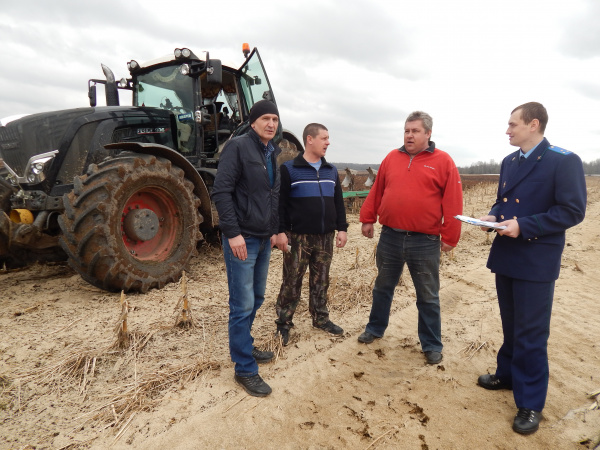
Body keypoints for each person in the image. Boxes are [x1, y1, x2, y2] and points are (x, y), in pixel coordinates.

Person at [477, 102, 586, 434]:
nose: (507, 130)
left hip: (536, 257)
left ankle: (530, 403)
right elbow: (504, 200)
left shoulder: (563, 161)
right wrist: (493, 216)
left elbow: (572, 211)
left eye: (513, 124)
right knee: (511, 324)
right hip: (507, 253)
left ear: (533, 124)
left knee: (532, 333)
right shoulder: (510, 161)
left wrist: (524, 225)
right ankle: (508, 374)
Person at [357, 111, 463, 365]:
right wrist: (368, 217)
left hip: (425, 242)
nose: (409, 135)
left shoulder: (443, 161)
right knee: (383, 287)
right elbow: (378, 190)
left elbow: (453, 201)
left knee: (427, 295)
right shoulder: (392, 158)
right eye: (406, 130)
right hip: (390, 237)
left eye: (415, 131)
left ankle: (431, 344)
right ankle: (375, 328)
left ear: (428, 133)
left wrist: (451, 235)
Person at [211, 100, 281, 397]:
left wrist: (275, 230)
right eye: (266, 118)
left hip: (263, 237)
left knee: (258, 296)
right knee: (241, 304)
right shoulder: (238, 147)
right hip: (243, 239)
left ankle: (245, 344)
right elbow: (221, 191)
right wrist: (233, 233)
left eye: (275, 119)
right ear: (253, 122)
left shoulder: (271, 152)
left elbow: (271, 196)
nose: (271, 124)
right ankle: (244, 368)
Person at [274, 123, 348, 345]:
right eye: (324, 138)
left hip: (325, 236)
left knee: (321, 280)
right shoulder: (289, 169)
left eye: (328, 138)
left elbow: (338, 202)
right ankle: (284, 323)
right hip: (297, 237)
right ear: (310, 139)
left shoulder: (331, 171)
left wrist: (342, 228)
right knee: (292, 281)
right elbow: (280, 205)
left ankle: (321, 318)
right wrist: (280, 232)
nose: (328, 142)